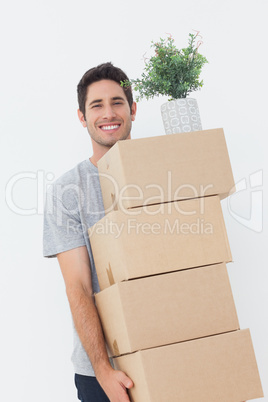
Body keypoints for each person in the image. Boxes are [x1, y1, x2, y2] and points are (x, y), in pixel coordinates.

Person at [43, 62, 137, 402]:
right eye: (96, 105)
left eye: (117, 102)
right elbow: (79, 286)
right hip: (104, 373)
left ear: (133, 109)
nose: (108, 113)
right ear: (82, 117)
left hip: (169, 351)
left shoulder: (163, 172)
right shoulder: (68, 191)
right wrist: (102, 369)